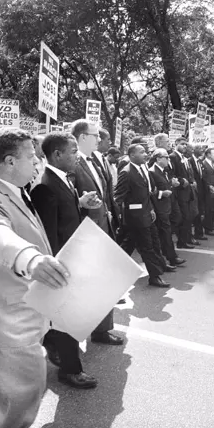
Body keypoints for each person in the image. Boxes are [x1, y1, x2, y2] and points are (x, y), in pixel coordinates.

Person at [0, 129, 69, 428]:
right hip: (6, 321)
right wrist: (31, 259)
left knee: (7, 393)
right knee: (25, 394)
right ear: (9, 161)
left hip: (19, 313)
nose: (37, 163)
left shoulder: (7, 187)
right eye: (32, 157)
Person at [30, 132, 99, 390]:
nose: (77, 155)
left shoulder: (62, 180)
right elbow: (48, 234)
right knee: (64, 317)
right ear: (57, 155)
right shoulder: (45, 185)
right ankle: (71, 370)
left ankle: (63, 356)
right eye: (72, 151)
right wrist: (62, 268)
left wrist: (80, 204)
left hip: (72, 259)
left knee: (67, 317)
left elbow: (63, 218)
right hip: (62, 263)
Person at [71, 120, 124, 346]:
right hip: (86, 233)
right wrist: (81, 203)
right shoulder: (71, 163)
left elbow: (106, 193)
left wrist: (111, 213)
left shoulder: (96, 160)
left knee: (105, 281)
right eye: (95, 135)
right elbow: (68, 198)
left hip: (104, 227)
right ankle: (68, 338)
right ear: (82, 137)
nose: (100, 139)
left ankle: (102, 330)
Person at [114, 144, 170, 288]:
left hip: (147, 214)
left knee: (149, 243)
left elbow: (145, 194)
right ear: (132, 155)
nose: (146, 154)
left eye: (145, 152)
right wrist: (122, 218)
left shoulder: (141, 169)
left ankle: (160, 266)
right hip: (136, 218)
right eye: (142, 152)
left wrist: (150, 209)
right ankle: (154, 276)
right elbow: (118, 197)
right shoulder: (126, 173)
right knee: (147, 247)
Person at [150, 148, 186, 267]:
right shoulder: (152, 172)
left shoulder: (163, 171)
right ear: (158, 159)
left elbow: (165, 185)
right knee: (165, 232)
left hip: (167, 206)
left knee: (167, 231)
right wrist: (161, 193)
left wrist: (172, 184)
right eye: (166, 157)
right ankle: (171, 257)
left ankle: (167, 255)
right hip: (159, 208)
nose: (168, 159)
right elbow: (150, 191)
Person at [170, 138, 196, 249]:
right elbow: (172, 174)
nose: (185, 146)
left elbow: (187, 174)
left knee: (187, 217)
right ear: (176, 144)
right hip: (180, 193)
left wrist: (191, 181)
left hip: (187, 192)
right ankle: (181, 241)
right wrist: (181, 181)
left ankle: (185, 240)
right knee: (183, 217)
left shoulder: (184, 158)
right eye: (182, 144)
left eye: (186, 144)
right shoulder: (173, 157)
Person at [201, 147, 214, 236]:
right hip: (208, 190)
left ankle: (211, 224)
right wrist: (209, 186)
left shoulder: (213, 163)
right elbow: (203, 177)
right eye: (213, 153)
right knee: (209, 209)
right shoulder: (204, 164)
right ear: (208, 154)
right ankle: (207, 228)